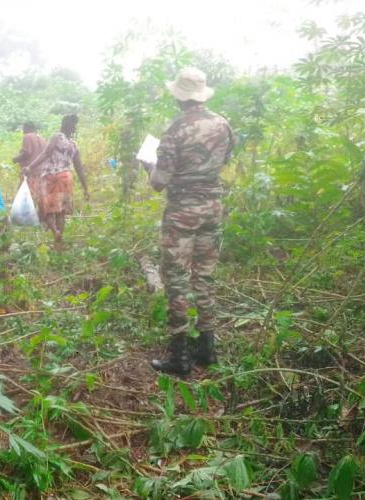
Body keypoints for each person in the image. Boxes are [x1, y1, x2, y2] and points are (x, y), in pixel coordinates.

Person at [144, 68, 235, 377]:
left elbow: (159, 181)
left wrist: (148, 166)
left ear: (179, 96)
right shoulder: (223, 123)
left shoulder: (175, 130)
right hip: (212, 208)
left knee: (178, 278)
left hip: (183, 211)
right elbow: (224, 161)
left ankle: (180, 358)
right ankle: (208, 348)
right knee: (205, 276)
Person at [25, 114, 89, 247]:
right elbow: (79, 168)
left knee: (46, 208)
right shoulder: (73, 145)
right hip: (66, 177)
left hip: (50, 176)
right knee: (61, 211)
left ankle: (55, 231)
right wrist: (85, 188)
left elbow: (46, 153)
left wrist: (30, 167)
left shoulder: (56, 137)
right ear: (73, 128)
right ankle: (59, 240)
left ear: (62, 124)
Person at [12, 121, 47, 220]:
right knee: (40, 196)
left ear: (26, 128)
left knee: (24, 195)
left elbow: (27, 152)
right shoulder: (42, 139)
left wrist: (16, 159)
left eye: (23, 129)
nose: (23, 131)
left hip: (30, 171)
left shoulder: (27, 136)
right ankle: (43, 218)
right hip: (41, 171)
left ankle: (24, 218)